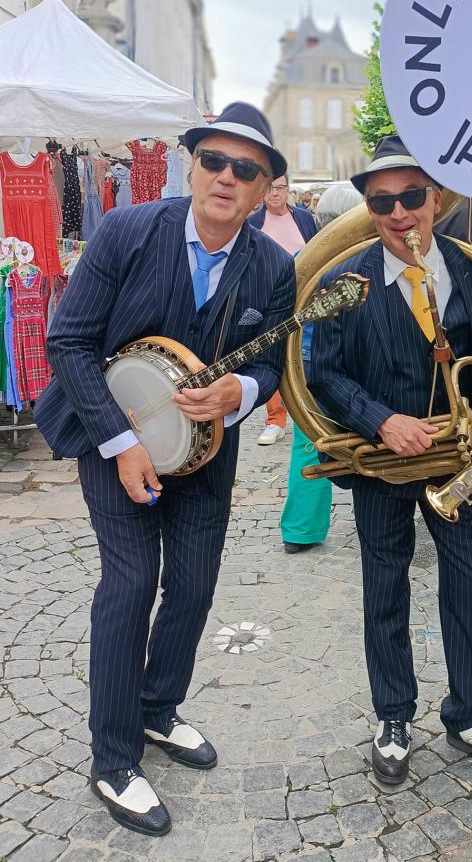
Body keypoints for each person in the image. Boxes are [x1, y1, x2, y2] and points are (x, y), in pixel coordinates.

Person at [35, 103, 295, 837]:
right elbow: (69, 341)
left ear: (265, 185)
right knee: (129, 584)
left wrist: (239, 391)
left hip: (205, 456)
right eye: (214, 160)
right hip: (109, 435)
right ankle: (113, 759)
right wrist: (122, 443)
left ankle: (156, 710)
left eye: (246, 169)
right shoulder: (126, 231)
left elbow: (272, 364)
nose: (226, 177)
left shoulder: (274, 266)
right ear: (191, 163)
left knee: (194, 584)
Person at [309, 136, 472, 786]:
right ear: (369, 206)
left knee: (467, 581)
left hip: (456, 458)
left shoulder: (466, 267)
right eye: (382, 200)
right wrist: (381, 420)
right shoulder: (341, 283)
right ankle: (393, 717)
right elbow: (321, 372)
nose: (399, 211)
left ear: (435, 198)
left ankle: (470, 714)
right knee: (384, 588)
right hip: (381, 464)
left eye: (412, 195)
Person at [279, 181, 363, 553]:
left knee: (310, 444)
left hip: (307, 364)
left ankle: (301, 530)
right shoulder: (369, 260)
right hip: (356, 365)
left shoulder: (302, 256)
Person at [249, 174, 316, 444]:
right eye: (270, 189)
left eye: (281, 187)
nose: (276, 193)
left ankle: (307, 410)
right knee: (272, 351)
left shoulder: (303, 218)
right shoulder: (254, 222)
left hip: (303, 295)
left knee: (304, 351)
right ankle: (275, 419)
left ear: (288, 190)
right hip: (270, 296)